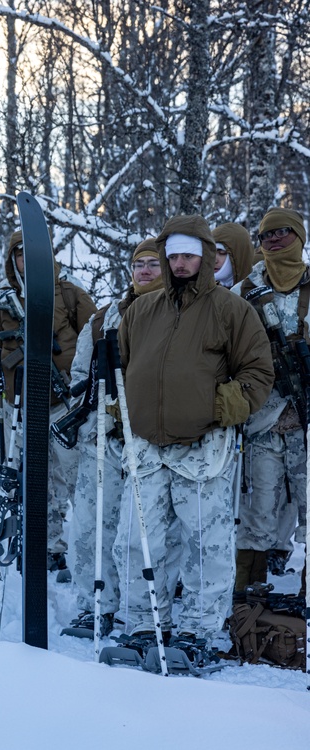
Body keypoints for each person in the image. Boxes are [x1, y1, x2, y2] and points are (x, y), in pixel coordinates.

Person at [117, 215, 273, 655]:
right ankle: (146, 624)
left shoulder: (231, 309)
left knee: (205, 545)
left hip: (204, 448)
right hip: (148, 445)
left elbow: (258, 372)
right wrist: (125, 406)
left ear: (204, 256)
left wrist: (219, 407)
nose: (180, 263)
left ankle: (199, 632)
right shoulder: (143, 310)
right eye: (173, 256)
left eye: (189, 255)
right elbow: (126, 366)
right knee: (136, 541)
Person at [0, 229, 96, 573]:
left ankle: (91, 549)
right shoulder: (3, 301)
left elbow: (94, 335)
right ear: (12, 260)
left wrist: (88, 391)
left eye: (30, 254)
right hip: (21, 407)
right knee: (34, 480)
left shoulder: (70, 291)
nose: (25, 261)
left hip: (67, 405)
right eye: (19, 255)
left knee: (79, 478)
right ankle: (48, 546)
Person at [65, 238, 162, 635]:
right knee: (90, 528)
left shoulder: (177, 316)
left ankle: (139, 613)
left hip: (150, 441)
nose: (145, 271)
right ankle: (96, 605)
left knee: (137, 533)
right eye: (139, 264)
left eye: (154, 264)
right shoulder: (103, 319)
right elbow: (78, 379)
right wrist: (92, 424)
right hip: (103, 441)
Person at [231, 208, 308, 592]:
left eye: (283, 232)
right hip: (263, 423)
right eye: (265, 235)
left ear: (299, 236)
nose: (273, 240)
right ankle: (248, 599)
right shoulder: (243, 292)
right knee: (258, 513)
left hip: (307, 422)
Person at [212, 222, 254, 288]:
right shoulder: (204, 293)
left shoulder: (259, 294)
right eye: (212, 252)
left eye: (222, 252)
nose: (214, 260)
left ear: (238, 255)